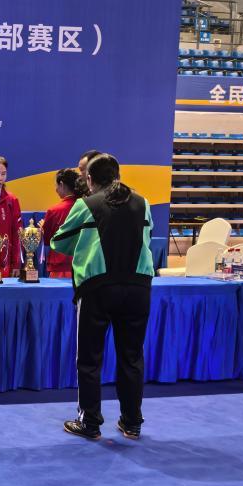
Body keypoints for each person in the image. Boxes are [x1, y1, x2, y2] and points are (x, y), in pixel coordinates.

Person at [50, 154, 154, 441]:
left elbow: (59, 241)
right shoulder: (143, 202)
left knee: (89, 358)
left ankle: (90, 422)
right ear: (118, 175)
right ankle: (132, 422)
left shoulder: (86, 204)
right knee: (132, 356)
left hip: (98, 288)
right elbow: (147, 238)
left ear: (89, 179)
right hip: (138, 287)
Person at [40, 168, 82, 279]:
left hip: (60, 267)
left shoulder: (54, 211)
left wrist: (42, 228)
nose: (56, 189)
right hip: (83, 265)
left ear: (62, 184)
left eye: (56, 185)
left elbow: (47, 240)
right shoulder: (87, 207)